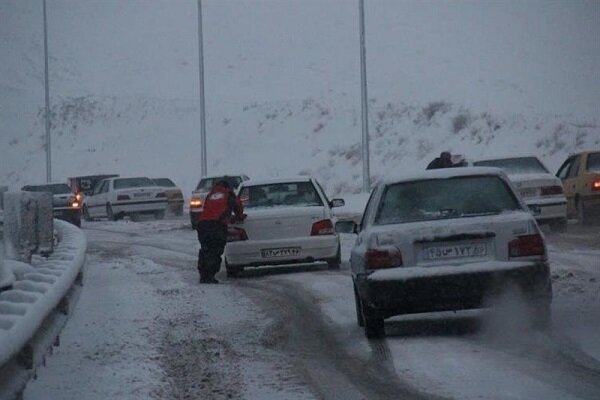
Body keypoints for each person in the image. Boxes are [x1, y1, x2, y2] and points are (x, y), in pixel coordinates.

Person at [196, 179, 245, 284]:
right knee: (215, 250)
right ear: (228, 186)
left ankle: (203, 274)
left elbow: (210, 209)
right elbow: (238, 208)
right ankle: (209, 276)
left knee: (206, 249)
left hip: (202, 225)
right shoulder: (229, 194)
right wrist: (239, 217)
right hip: (217, 226)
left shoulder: (210, 195)